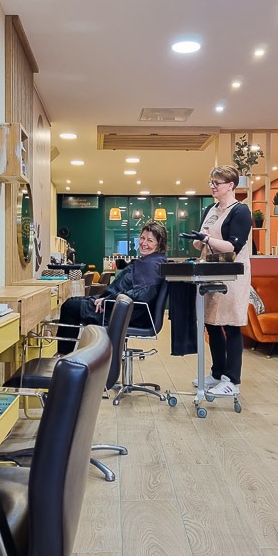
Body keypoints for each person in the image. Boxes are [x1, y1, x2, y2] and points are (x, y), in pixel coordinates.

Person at [56, 220, 168, 354]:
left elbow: (142, 295)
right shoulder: (152, 261)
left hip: (122, 312)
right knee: (74, 302)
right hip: (119, 307)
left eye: (150, 240)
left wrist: (110, 300)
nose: (144, 243)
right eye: (142, 238)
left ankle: (64, 357)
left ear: (159, 244)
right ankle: (68, 358)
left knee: (70, 307)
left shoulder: (151, 265)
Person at [188, 165, 252, 396]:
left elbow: (233, 246)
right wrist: (199, 240)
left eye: (217, 183)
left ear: (231, 185)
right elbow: (201, 241)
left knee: (231, 324)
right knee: (212, 324)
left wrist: (206, 238)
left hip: (233, 275)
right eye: (211, 182)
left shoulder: (240, 211)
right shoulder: (210, 209)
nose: (213, 186)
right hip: (211, 272)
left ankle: (232, 380)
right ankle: (217, 374)